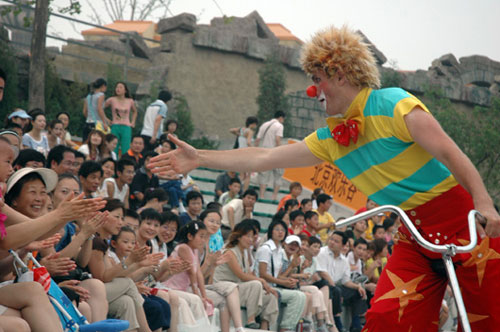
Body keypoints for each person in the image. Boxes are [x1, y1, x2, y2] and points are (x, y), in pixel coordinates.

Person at [149, 25, 500, 331]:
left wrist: (485, 202)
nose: (312, 91)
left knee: (491, 317)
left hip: (467, 223)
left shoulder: (395, 104)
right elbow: (265, 155)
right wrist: (200, 158)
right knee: (384, 320)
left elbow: (451, 154)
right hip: (414, 234)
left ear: (340, 74)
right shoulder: (331, 139)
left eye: (317, 80)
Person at [214, 222, 279, 330]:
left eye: (252, 237)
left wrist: (266, 286)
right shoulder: (229, 252)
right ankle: (251, 319)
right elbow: (241, 275)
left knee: (270, 296)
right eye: (247, 236)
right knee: (256, 284)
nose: (251, 240)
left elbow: (248, 274)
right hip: (225, 287)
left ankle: (264, 327)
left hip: (238, 286)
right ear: (239, 237)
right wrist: (262, 281)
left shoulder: (244, 252)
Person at [254, 220, 306, 332]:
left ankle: (287, 327)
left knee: (301, 295)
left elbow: (277, 275)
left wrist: (288, 280)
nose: (280, 232)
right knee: (297, 296)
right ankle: (285, 328)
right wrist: (283, 282)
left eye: (283, 230)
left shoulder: (278, 250)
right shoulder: (266, 249)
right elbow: (263, 274)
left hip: (273, 285)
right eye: (277, 229)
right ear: (271, 231)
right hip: (264, 286)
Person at [317, 231, 367, 332]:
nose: (332, 242)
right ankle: (337, 321)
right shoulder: (322, 252)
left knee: (358, 292)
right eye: (331, 239)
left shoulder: (344, 261)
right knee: (336, 291)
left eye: (336, 241)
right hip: (322, 284)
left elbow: (346, 281)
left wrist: (358, 287)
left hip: (336, 286)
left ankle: (356, 323)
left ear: (343, 245)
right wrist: (334, 286)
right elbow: (322, 273)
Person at [255, 110, 286, 201]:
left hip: (264, 153)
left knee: (263, 174)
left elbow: (257, 140)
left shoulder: (264, 125)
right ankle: (274, 196)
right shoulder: (279, 126)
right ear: (281, 117)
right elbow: (277, 139)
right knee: (278, 175)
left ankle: (261, 195)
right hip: (274, 153)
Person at [105, 82, 138, 156]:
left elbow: (135, 111)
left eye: (120, 87)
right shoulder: (111, 100)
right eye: (117, 87)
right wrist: (106, 119)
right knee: (113, 147)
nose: (118, 89)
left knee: (126, 147)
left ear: (125, 90)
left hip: (126, 126)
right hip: (115, 125)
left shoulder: (130, 101)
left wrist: (133, 122)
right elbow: (101, 109)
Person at [229, 116, 258, 191]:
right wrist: (254, 150)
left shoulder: (242, 129)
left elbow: (231, 130)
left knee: (241, 175)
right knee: (248, 175)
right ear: (253, 124)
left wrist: (238, 134)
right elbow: (248, 142)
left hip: (239, 153)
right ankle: (244, 191)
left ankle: (236, 189)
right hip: (246, 154)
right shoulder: (250, 131)